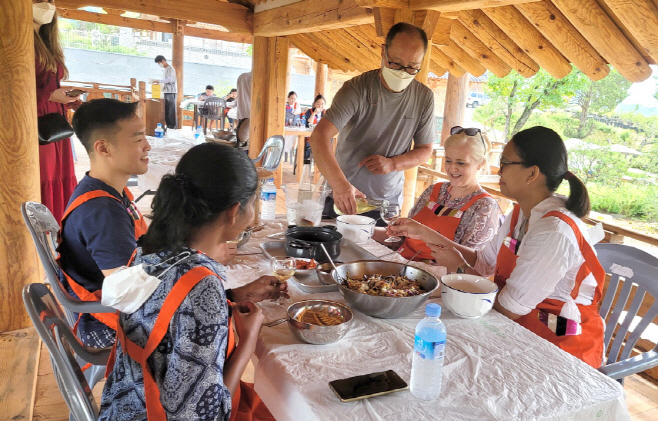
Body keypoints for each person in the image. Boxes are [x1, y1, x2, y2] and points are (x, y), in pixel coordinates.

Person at [390, 126, 605, 368]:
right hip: (516, 329)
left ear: (532, 173)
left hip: (558, 347)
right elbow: (483, 262)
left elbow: (507, 308)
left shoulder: (553, 232)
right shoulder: (520, 213)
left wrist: (458, 268)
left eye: (505, 163)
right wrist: (427, 234)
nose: (498, 170)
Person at [99, 142, 275, 421]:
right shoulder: (202, 285)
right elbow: (205, 415)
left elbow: (172, 312)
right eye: (254, 201)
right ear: (234, 211)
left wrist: (233, 295)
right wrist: (248, 341)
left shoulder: (150, 246)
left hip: (125, 403)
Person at [309, 23, 435, 224]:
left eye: (412, 67)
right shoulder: (357, 89)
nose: (403, 72)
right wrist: (340, 185)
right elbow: (319, 137)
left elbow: (425, 149)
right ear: (383, 52)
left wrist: (393, 164)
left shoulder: (423, 97)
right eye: (396, 63)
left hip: (386, 204)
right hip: (341, 200)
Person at [60, 98, 151, 349]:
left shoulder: (102, 189)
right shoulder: (102, 211)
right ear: (103, 148)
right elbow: (130, 296)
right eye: (138, 139)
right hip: (103, 322)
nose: (148, 146)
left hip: (108, 308)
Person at [379, 127, 501, 260]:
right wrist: (366, 229)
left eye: (461, 163)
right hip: (404, 264)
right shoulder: (435, 190)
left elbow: (475, 262)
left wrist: (426, 234)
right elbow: (403, 239)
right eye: (448, 160)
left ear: (480, 164)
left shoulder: (484, 206)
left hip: (441, 276)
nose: (452, 168)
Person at [33, 0, 81, 222]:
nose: (45, 5)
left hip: (55, 123)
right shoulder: (14, 40)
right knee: (42, 177)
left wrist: (65, 100)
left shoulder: (45, 42)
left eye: (49, 1)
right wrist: (52, 96)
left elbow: (48, 87)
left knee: (58, 176)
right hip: (35, 124)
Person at [154, 55, 177, 129]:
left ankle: (172, 126)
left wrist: (159, 81)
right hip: (166, 91)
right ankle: (168, 126)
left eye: (159, 62)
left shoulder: (170, 68)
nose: (159, 64)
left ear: (163, 61)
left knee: (171, 110)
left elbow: (169, 79)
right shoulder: (164, 69)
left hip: (171, 91)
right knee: (166, 109)